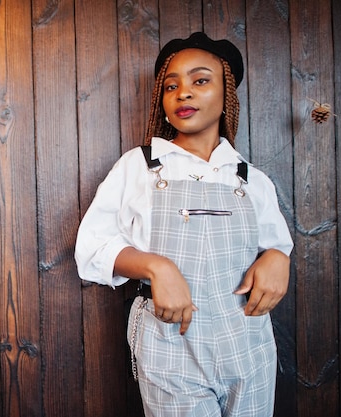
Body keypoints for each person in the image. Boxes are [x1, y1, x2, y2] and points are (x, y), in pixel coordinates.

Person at [75, 32, 293, 417]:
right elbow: (92, 248)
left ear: (227, 94)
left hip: (249, 341)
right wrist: (156, 267)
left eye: (200, 80)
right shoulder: (140, 166)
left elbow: (276, 246)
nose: (183, 93)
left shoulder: (250, 178)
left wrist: (278, 256)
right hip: (170, 342)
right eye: (171, 85)